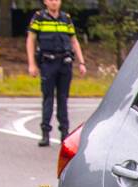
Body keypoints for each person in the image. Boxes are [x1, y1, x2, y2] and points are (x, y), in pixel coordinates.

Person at [26, 0, 86, 147]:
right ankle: (45, 133)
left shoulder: (66, 18)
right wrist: (32, 63)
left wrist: (81, 62)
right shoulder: (39, 17)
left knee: (63, 99)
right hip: (48, 62)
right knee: (48, 98)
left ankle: (64, 133)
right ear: (46, 2)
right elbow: (31, 40)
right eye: (51, 0)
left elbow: (74, 41)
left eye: (57, 0)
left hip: (64, 63)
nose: (54, 2)